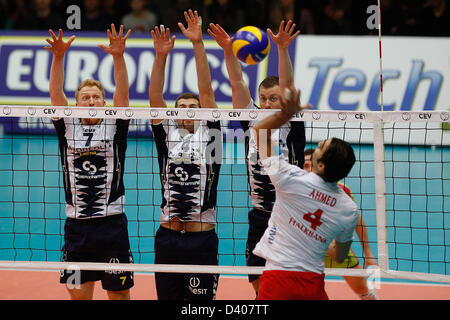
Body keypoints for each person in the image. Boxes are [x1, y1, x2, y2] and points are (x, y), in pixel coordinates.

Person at [208, 20, 309, 298]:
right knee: (258, 283)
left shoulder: (290, 120)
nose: (266, 104)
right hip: (259, 216)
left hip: (290, 215)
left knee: (288, 285)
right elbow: (237, 82)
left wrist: (282, 49)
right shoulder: (251, 119)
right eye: (263, 98)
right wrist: (228, 50)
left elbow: (288, 86)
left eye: (272, 99)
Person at [45, 25, 134, 300]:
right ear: (77, 103)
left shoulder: (115, 124)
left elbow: (122, 92)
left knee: (118, 296)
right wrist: (58, 57)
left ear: (104, 101)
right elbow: (55, 92)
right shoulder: (67, 125)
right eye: (86, 97)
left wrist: (118, 57)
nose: (92, 101)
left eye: (96, 97)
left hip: (112, 226)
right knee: (79, 295)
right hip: (76, 228)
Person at [252, 86, 359, 300]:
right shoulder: (349, 208)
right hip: (312, 284)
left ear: (322, 166)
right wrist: (316, 236)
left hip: (277, 280)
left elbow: (260, 133)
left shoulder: (291, 179)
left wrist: (285, 115)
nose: (318, 144)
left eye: (321, 147)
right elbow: (339, 256)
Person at [148, 10, 222, 300]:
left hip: (200, 238)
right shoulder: (165, 134)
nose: (188, 110)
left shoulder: (209, 135)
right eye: (181, 106)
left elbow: (207, 91)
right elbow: (155, 99)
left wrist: (198, 43)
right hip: (167, 237)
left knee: (200, 306)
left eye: (193, 106)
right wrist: (161, 56)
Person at [304, 149, 379, 300]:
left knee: (364, 290)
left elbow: (356, 219)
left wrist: (368, 253)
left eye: (311, 165)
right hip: (305, 254)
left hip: (336, 251)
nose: (308, 169)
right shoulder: (294, 188)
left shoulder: (341, 190)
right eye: (304, 165)